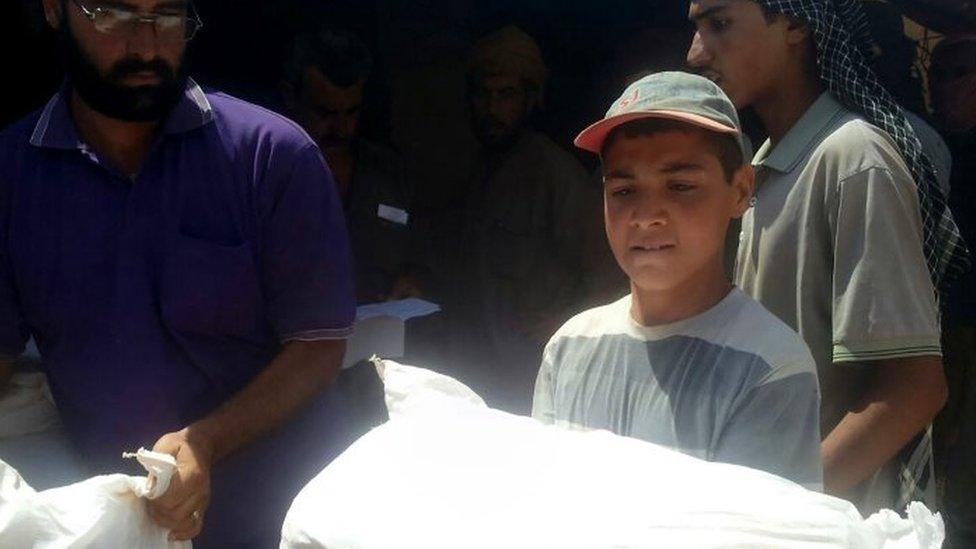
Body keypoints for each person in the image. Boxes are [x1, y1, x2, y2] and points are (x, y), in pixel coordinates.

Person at [0, 1, 356, 546]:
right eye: (114, 14)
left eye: (168, 17)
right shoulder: (11, 176)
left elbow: (318, 347)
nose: (146, 46)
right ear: (54, 9)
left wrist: (206, 441)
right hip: (120, 524)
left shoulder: (271, 156)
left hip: (285, 520)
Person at [686, 0, 969, 514]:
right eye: (697, 28)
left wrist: (787, 511)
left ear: (795, 24)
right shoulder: (769, 160)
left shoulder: (853, 160)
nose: (695, 53)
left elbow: (914, 388)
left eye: (720, 24)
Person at [532, 72, 822, 489]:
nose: (648, 215)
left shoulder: (769, 367)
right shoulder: (570, 347)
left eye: (681, 186)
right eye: (624, 191)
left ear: (740, 191)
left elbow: (757, 530)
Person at [436, 26, 606, 414]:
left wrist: (567, 325)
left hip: (530, 384)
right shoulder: (475, 170)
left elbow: (609, 279)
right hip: (477, 378)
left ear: (530, 100)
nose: (492, 109)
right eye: (484, 94)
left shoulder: (554, 176)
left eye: (506, 95)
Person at [282, 29, 421, 304]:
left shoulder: (390, 173)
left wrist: (416, 278)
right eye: (324, 113)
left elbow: (423, 253)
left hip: (381, 338)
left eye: (351, 112)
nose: (340, 128)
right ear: (291, 97)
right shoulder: (268, 178)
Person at [929, 34, 976, 549]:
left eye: (957, 74)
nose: (943, 88)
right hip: (940, 318)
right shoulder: (930, 144)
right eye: (937, 75)